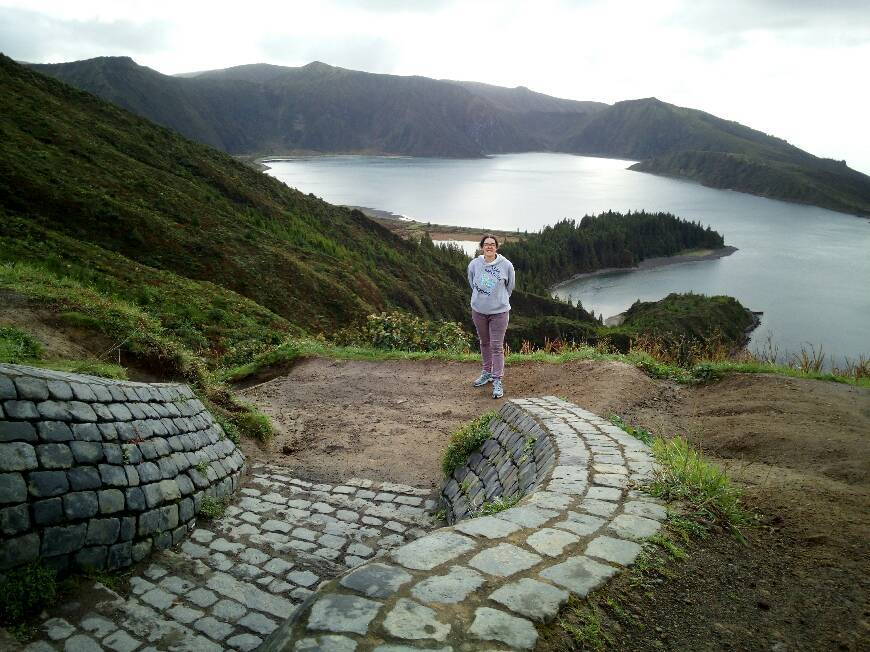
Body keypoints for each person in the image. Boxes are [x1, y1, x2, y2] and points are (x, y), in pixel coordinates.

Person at [467, 234, 515, 399]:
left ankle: (497, 380)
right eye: (486, 244)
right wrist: (481, 300)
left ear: (496, 247)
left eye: (492, 244)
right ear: (482, 247)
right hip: (478, 311)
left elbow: (510, 287)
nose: (489, 246)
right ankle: (486, 372)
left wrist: (498, 300)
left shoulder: (506, 265)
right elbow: (471, 282)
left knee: (496, 346)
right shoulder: (474, 264)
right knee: (484, 342)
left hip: (499, 313)